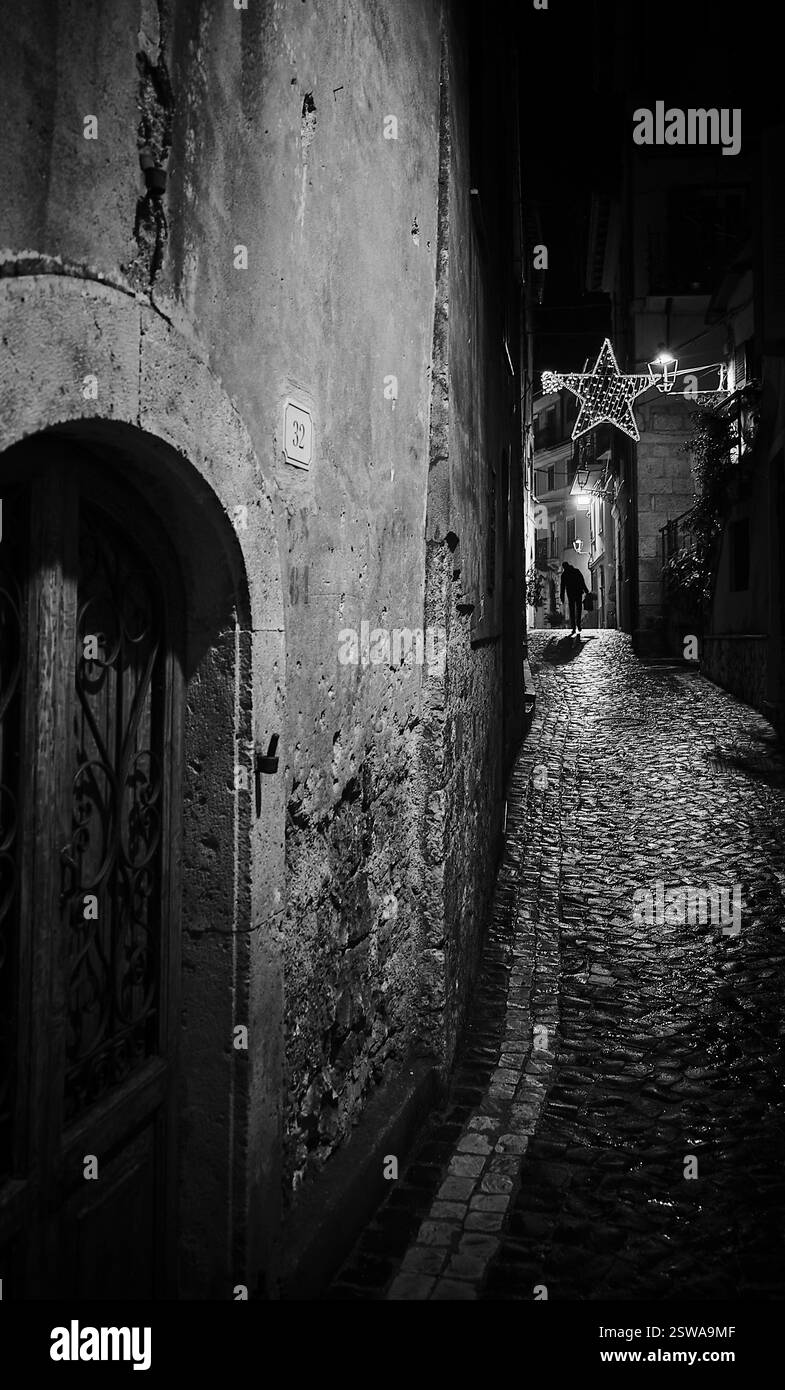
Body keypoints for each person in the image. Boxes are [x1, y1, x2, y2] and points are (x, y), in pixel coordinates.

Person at [560, 560, 589, 636]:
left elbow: (562, 587)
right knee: (578, 609)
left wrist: (562, 596)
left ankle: (573, 626)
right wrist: (586, 590)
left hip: (570, 594)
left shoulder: (564, 574)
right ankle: (578, 624)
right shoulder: (576, 571)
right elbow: (582, 581)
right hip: (578, 592)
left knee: (572, 610)